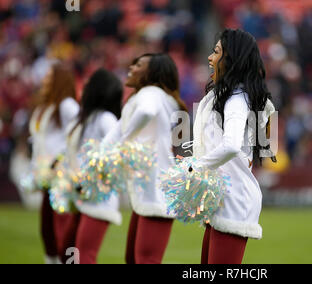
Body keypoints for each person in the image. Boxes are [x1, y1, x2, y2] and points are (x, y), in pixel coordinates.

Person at [194, 28, 276, 264]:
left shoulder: (237, 99)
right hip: (222, 198)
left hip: (234, 201)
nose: (210, 58)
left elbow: (230, 145)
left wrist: (195, 168)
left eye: (217, 52)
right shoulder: (227, 96)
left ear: (232, 59)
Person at [102, 53, 187, 264]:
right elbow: (117, 130)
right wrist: (99, 158)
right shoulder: (153, 95)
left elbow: (146, 112)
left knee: (145, 260)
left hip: (155, 191)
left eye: (139, 64)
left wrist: (125, 143)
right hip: (150, 189)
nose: (132, 67)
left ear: (153, 73)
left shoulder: (151, 93)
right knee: (134, 259)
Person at [59, 68, 123, 264]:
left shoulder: (106, 119)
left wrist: (92, 178)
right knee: (67, 251)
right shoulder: (84, 117)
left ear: (97, 89)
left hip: (99, 197)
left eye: (88, 83)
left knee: (84, 255)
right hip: (80, 194)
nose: (83, 86)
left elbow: (116, 155)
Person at [28, 63, 79, 264]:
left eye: (49, 76)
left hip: (62, 176)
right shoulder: (46, 107)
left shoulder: (68, 105)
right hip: (46, 175)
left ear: (59, 80)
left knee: (63, 229)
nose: (44, 80)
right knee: (47, 230)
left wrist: (60, 159)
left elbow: (78, 134)